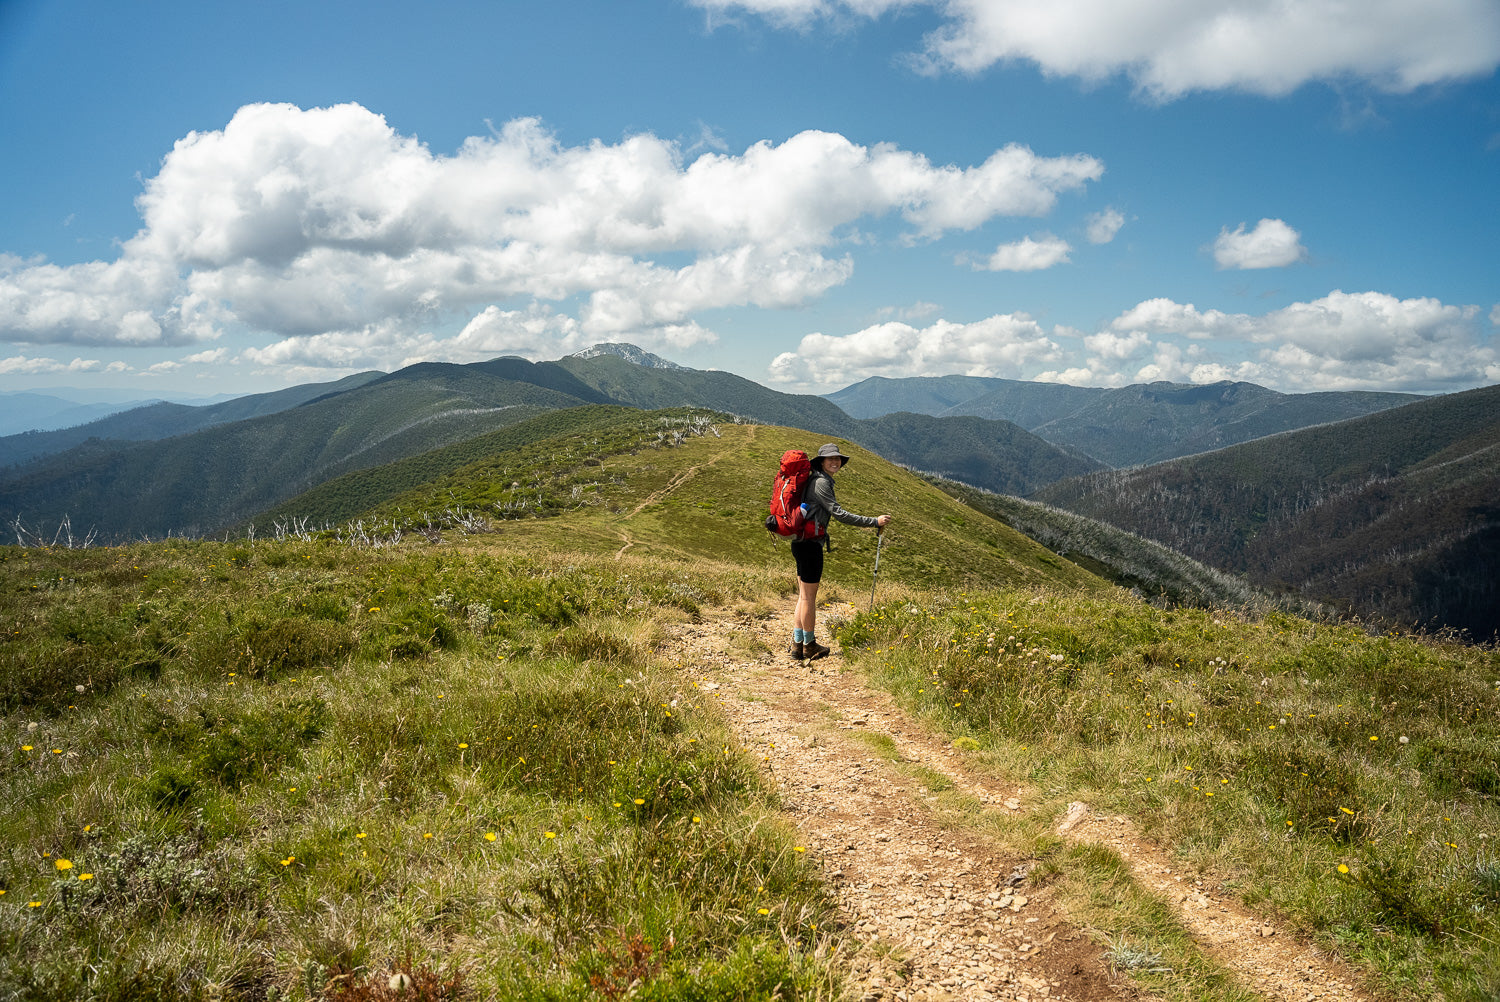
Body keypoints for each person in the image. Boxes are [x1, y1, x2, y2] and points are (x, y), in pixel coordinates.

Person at [790, 443, 892, 660]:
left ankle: (797, 643)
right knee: (808, 598)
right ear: (822, 462)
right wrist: (873, 521)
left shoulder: (814, 479)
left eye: (837, 459)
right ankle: (808, 644)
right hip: (810, 544)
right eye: (830, 459)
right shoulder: (821, 483)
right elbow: (839, 514)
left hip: (801, 542)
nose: (835, 462)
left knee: (803, 595)